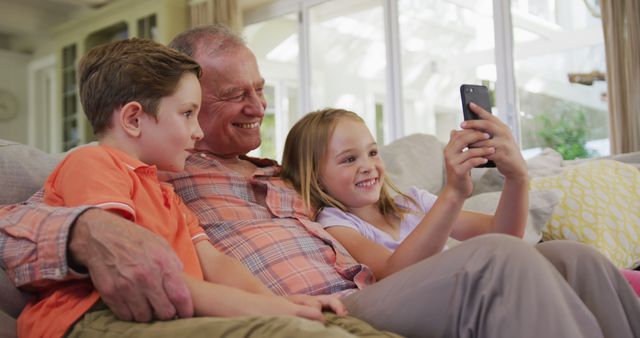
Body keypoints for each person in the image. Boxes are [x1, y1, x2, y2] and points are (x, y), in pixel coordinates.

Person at [1, 24, 639, 337]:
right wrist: (85, 230)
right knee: (497, 261)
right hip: (332, 307)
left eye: (261, 91)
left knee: (571, 256)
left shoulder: (290, 174)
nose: (257, 108)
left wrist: (505, 177)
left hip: (363, 287)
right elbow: (29, 214)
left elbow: (377, 210)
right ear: (175, 101)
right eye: (228, 98)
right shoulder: (162, 171)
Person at [13, 38, 396, 338]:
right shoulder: (92, 164)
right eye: (187, 114)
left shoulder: (164, 191)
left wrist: (281, 301)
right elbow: (143, 273)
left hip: (167, 311)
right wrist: (275, 311)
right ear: (133, 118)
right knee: (290, 331)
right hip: (95, 318)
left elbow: (215, 264)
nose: (197, 131)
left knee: (347, 328)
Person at [280, 107, 527, 279]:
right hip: (446, 304)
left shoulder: (412, 202)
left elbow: (504, 235)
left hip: (471, 284)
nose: (368, 166)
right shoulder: (336, 224)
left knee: (561, 254)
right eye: (349, 159)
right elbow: (394, 273)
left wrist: (517, 177)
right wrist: (452, 193)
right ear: (314, 176)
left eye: (373, 152)